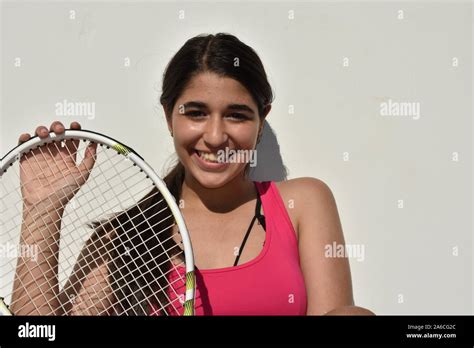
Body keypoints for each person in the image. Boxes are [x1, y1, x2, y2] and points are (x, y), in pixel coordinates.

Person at [14, 33, 373, 316]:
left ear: (262, 120)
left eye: (237, 115)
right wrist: (42, 210)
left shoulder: (303, 203)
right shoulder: (124, 239)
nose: (215, 137)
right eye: (196, 113)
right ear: (169, 115)